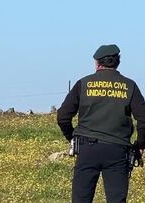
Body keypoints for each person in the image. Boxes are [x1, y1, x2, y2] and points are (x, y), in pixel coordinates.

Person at [57, 44, 145, 203]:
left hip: (86, 149)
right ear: (118, 62)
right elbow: (143, 119)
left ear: (97, 63)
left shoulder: (83, 84)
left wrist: (71, 137)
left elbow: (63, 116)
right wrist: (140, 145)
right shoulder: (130, 86)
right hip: (117, 150)